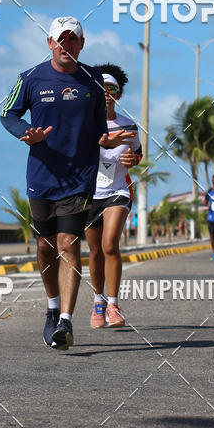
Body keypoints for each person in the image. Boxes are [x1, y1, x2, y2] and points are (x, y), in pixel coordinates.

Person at [0, 17, 135, 350]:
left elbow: (97, 129)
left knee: (68, 244)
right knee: (45, 246)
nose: (66, 46)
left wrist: (104, 141)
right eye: (60, 40)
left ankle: (66, 322)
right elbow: (8, 114)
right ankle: (52, 307)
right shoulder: (30, 78)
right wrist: (25, 134)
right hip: (42, 175)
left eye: (72, 40)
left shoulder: (91, 81)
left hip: (80, 178)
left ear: (81, 43)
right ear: (49, 43)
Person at [85, 66, 142, 329]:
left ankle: (113, 303)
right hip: (89, 193)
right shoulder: (84, 123)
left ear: (118, 94)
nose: (107, 94)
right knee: (95, 251)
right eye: (102, 89)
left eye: (112, 90)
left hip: (118, 190)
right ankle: (97, 301)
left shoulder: (129, 124)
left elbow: (137, 153)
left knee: (109, 245)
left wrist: (134, 159)